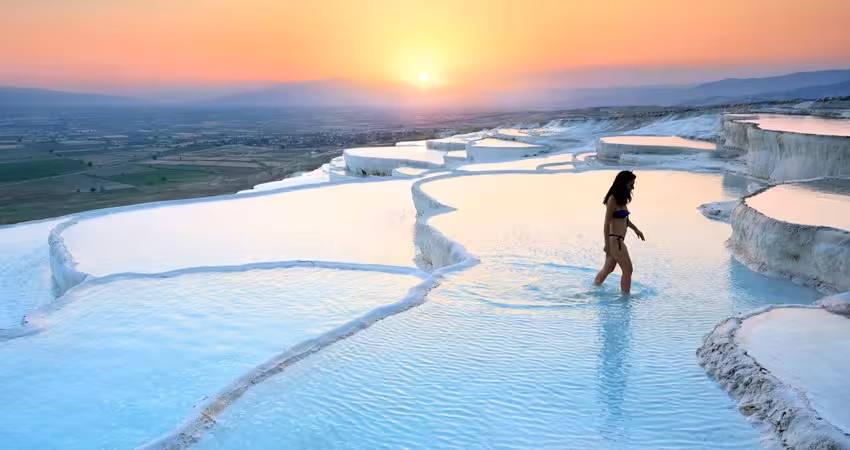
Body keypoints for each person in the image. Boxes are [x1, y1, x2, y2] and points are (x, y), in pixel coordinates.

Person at [594, 170, 645, 294]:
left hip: (618, 240)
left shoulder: (622, 200)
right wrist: (607, 245)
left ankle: (594, 288)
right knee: (628, 269)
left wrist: (636, 229)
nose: (633, 187)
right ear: (623, 183)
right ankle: (625, 298)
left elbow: (625, 220)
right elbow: (606, 223)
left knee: (608, 268)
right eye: (630, 184)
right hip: (615, 240)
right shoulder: (612, 199)